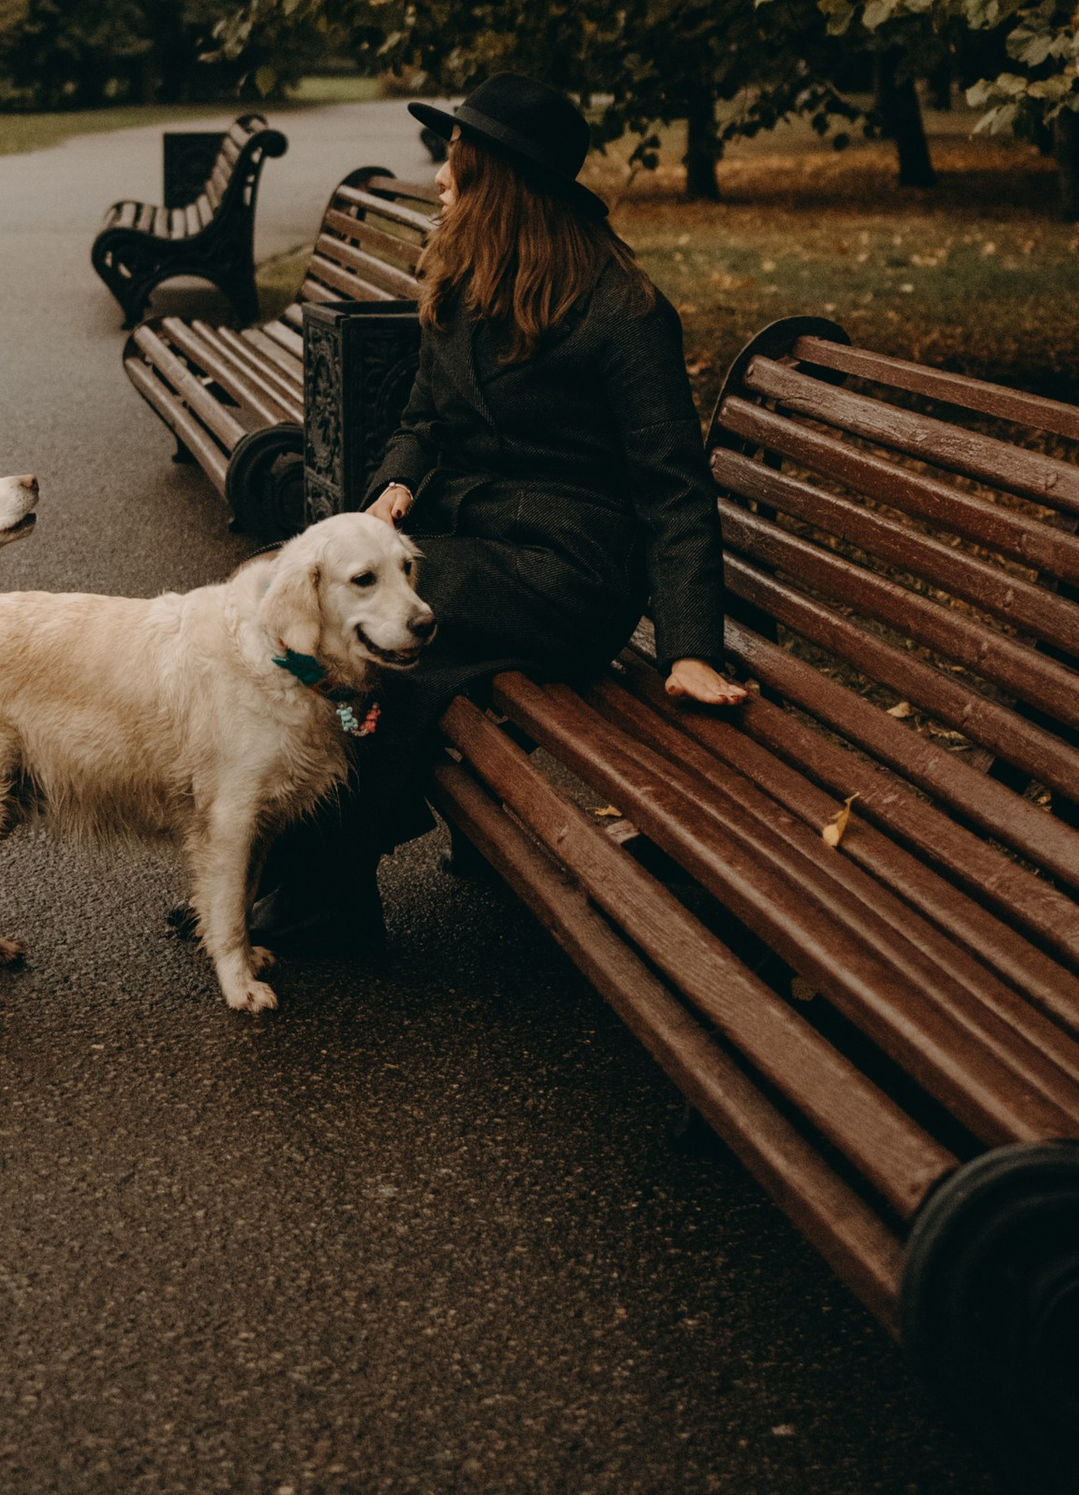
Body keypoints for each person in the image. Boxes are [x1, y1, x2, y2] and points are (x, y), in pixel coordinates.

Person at [252, 69, 748, 956]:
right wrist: (395, 486)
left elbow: (674, 490)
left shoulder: (622, 311)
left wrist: (691, 649)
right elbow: (422, 421)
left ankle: (307, 877)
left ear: (501, 183)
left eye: (456, 159)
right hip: (474, 546)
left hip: (570, 575)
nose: (440, 178)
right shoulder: (465, 280)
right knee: (396, 663)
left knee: (360, 619)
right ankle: (306, 876)